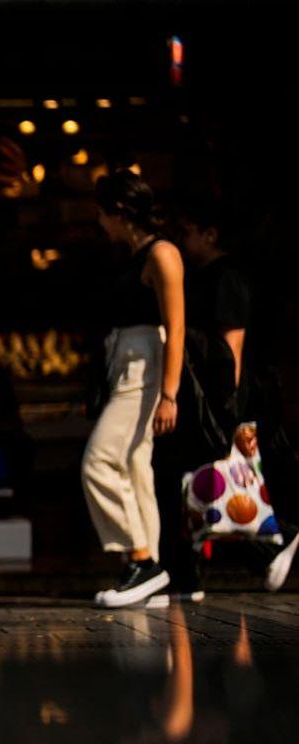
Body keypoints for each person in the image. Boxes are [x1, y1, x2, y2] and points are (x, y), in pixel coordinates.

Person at [158, 196, 299, 598]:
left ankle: (272, 543)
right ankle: (189, 572)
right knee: (205, 483)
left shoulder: (226, 278)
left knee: (224, 483)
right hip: (207, 397)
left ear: (210, 234)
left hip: (223, 400)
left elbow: (231, 346)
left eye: (186, 232)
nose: (180, 240)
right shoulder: (202, 275)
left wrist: (227, 407)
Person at [82, 170, 184, 608]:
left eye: (102, 215)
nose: (100, 224)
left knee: (99, 462)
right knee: (134, 468)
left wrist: (170, 393)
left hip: (144, 369)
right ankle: (150, 569)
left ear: (119, 213)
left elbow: (176, 327)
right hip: (126, 364)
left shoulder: (161, 254)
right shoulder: (133, 253)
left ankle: (141, 559)